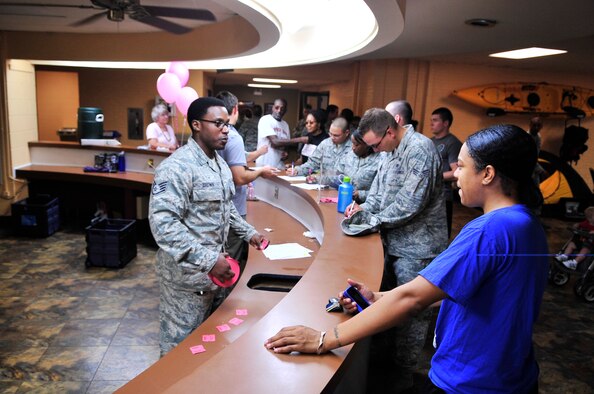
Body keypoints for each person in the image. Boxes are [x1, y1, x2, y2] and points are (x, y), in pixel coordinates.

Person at [266, 124, 548, 394]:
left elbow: (412, 300)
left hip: (471, 381)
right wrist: (377, 296)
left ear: (487, 174)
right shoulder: (527, 223)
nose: (455, 175)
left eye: (461, 167)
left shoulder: (489, 230)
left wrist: (323, 339)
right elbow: (462, 288)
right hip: (511, 377)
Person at [148, 97, 266, 357]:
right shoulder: (176, 168)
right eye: (218, 124)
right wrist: (209, 260)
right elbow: (163, 225)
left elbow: (227, 207)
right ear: (197, 125)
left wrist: (249, 233)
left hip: (216, 278)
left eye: (227, 124)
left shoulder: (219, 164)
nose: (226, 130)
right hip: (187, 281)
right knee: (179, 352)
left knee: (207, 348)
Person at [345, 104, 447, 391]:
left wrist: (372, 220)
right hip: (392, 242)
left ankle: (403, 377)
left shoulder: (420, 149)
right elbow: (378, 195)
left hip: (418, 247)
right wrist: (363, 209)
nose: (375, 151)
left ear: (390, 131)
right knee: (387, 304)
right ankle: (383, 364)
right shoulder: (388, 152)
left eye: (376, 144)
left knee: (410, 313)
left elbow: (410, 204)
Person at [215, 91, 277, 272]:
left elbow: (239, 157)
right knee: (231, 262)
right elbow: (240, 177)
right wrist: (260, 172)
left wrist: (258, 154)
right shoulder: (232, 136)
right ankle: (224, 299)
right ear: (235, 109)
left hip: (219, 210)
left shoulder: (218, 135)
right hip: (233, 209)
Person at [286, 117, 351, 185]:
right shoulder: (325, 143)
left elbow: (343, 175)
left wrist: (318, 178)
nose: (332, 137)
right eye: (330, 134)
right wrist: (297, 170)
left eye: (336, 135)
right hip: (323, 188)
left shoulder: (353, 149)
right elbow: (313, 163)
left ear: (346, 133)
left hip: (342, 189)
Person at [430, 107, 463, 238]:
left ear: (446, 123)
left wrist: (433, 177)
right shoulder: (430, 141)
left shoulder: (452, 143)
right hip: (429, 195)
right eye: (431, 120)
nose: (431, 123)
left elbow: (457, 171)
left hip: (444, 197)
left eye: (435, 120)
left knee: (440, 236)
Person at [255, 98, 307, 169]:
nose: (279, 111)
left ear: (285, 110)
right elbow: (275, 142)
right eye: (276, 108)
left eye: (282, 109)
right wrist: (300, 139)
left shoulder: (285, 125)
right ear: (273, 108)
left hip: (279, 166)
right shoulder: (265, 120)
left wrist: (286, 153)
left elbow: (286, 145)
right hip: (264, 165)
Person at [336, 128, 383, 203]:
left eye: (356, 144)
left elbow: (381, 192)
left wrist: (361, 194)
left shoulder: (379, 161)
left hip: (365, 205)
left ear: (367, 145)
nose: (353, 147)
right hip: (344, 199)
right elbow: (338, 174)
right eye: (352, 143)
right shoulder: (349, 155)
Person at [555, 206, 594, 270]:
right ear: (589, 218)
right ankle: (565, 256)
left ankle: (574, 262)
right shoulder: (586, 223)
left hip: (590, 245)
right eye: (589, 217)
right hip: (581, 241)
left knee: (585, 249)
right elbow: (579, 225)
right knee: (572, 244)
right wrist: (576, 226)